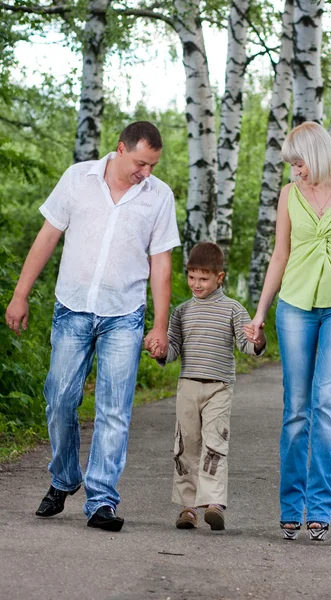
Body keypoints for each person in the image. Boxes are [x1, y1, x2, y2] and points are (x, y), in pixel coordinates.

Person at [5, 121, 180, 531]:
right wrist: (20, 293)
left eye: (153, 165)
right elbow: (47, 236)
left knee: (114, 410)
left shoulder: (159, 196)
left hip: (124, 314)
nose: (146, 173)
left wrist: (159, 325)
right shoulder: (77, 178)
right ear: (120, 149)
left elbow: (162, 264)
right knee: (59, 399)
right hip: (73, 307)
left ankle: (101, 500)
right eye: (140, 163)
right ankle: (65, 478)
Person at [250, 121, 331, 541]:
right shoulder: (289, 196)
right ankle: (291, 506)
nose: (295, 170)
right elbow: (279, 256)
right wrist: (259, 313)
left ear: (318, 153)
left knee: (326, 402)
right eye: (291, 163)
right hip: (294, 306)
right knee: (296, 407)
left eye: (299, 161)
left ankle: (320, 509)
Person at [149, 242, 266, 531]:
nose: (196, 284)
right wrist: (161, 350)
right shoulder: (181, 312)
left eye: (203, 279)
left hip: (219, 388)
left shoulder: (233, 311)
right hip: (188, 386)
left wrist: (258, 339)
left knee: (215, 444)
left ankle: (214, 503)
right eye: (191, 277)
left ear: (219, 278)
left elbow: (246, 345)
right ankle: (187, 507)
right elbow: (173, 349)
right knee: (185, 446)